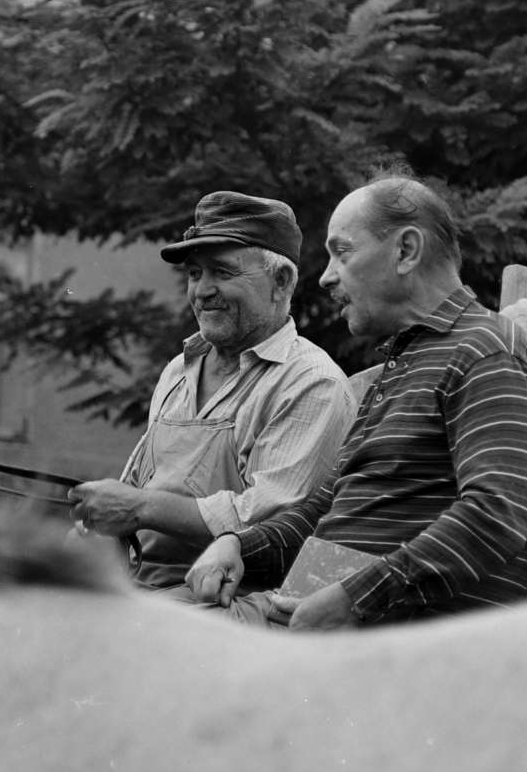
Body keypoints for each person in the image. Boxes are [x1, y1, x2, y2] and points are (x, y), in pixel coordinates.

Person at [186, 174, 527, 629]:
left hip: (401, 642)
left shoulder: (486, 350)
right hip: (309, 618)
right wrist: (238, 545)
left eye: (342, 252)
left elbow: (494, 516)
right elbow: (325, 507)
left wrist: (355, 599)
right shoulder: (407, 360)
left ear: (406, 251)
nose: (324, 276)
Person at [68, 191, 355, 590]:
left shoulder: (309, 383)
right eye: (194, 274)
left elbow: (264, 528)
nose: (202, 290)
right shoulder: (177, 371)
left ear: (281, 280)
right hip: (142, 591)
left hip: (227, 607)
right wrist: (95, 527)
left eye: (222, 272)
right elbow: (133, 493)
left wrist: (139, 508)